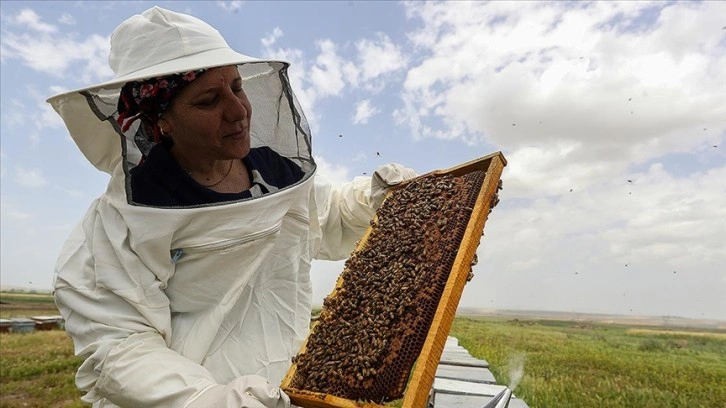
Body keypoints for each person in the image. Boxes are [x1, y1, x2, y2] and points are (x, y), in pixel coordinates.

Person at [47, 7, 415, 408]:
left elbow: (327, 218)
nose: (239, 111)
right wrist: (209, 399)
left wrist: (373, 197)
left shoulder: (276, 172)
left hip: (293, 384)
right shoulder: (120, 225)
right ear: (161, 121)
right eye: (208, 101)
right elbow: (120, 348)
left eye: (237, 87)